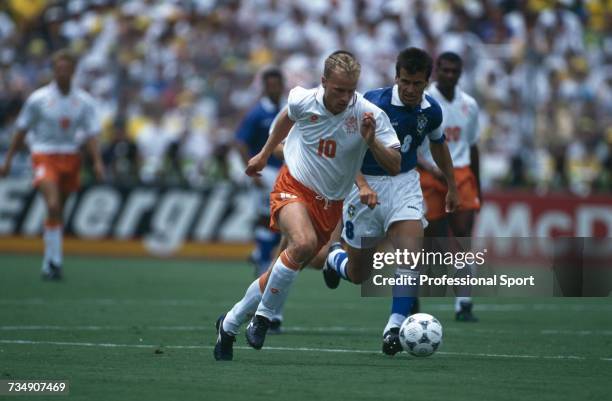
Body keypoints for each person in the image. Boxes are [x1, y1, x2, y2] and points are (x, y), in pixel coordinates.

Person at [214, 50, 401, 361]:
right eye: (338, 89)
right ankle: (264, 317)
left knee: (283, 267)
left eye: (350, 90)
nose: (344, 97)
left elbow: (395, 164)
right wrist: (264, 153)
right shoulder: (303, 98)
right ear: (324, 82)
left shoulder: (368, 115)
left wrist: (372, 142)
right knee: (303, 244)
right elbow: (286, 117)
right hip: (292, 185)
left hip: (330, 205)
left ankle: (230, 323)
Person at [322, 47, 459, 355]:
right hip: (365, 188)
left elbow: (438, 145)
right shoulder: (371, 104)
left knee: (411, 253)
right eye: (406, 82)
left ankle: (394, 327)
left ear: (427, 82)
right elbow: (345, 148)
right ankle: (334, 259)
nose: (411, 90)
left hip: (405, 184)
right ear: (396, 77)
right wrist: (358, 184)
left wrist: (452, 184)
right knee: (360, 275)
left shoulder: (432, 110)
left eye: (418, 84)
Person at [0, 49, 104, 280]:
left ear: (74, 71)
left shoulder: (84, 102)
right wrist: (7, 161)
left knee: (58, 210)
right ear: (53, 71)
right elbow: (21, 130)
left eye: (66, 69)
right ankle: (52, 263)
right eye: (58, 69)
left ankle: (53, 255)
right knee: (54, 205)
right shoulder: (38, 99)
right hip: (44, 155)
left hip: (71, 157)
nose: (62, 73)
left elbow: (91, 134)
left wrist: (97, 162)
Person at [418, 52, 481, 322]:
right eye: (445, 70)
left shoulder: (469, 105)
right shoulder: (424, 102)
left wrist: (479, 184)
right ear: (436, 72)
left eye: (455, 71)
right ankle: (412, 296)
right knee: (430, 243)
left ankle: (464, 302)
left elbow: (473, 144)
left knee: (463, 236)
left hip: (462, 172)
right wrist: (429, 167)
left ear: (460, 73)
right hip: (430, 174)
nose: (450, 75)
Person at [234, 67, 285, 333]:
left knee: (280, 231)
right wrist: (250, 167)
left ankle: (261, 255)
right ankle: (269, 307)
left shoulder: (287, 108)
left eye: (278, 84)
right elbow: (240, 142)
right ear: (265, 86)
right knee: (272, 227)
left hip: (287, 172)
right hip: (266, 173)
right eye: (271, 84)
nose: (275, 88)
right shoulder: (257, 113)